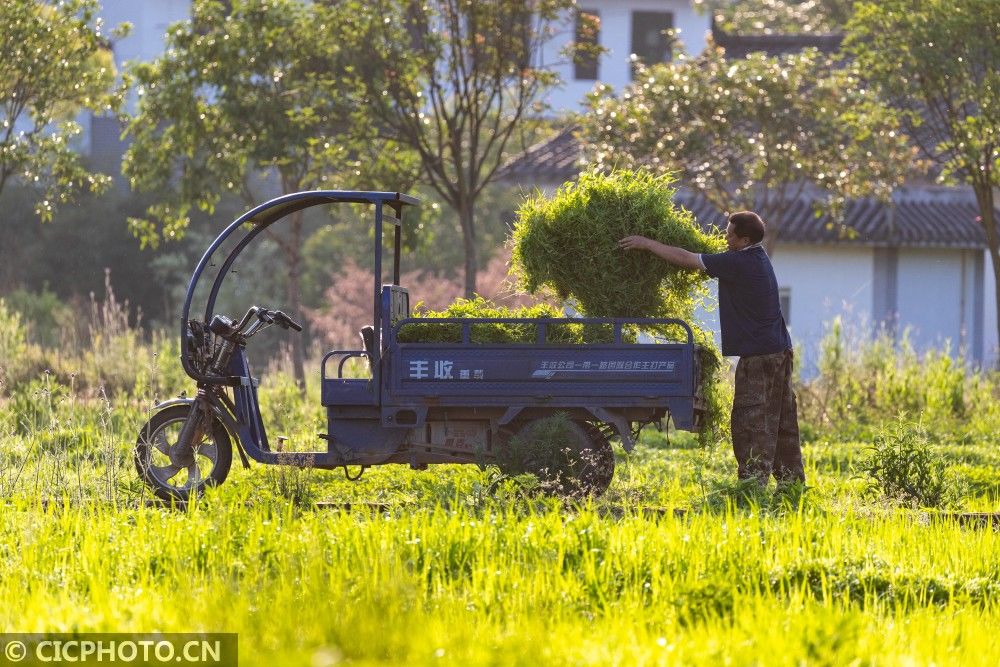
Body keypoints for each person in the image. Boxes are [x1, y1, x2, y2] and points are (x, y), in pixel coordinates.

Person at [619, 211, 805, 487]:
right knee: (781, 421)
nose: (725, 237)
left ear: (744, 240)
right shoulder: (757, 257)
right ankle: (792, 485)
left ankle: (751, 487)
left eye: (730, 234)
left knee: (751, 420)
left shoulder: (740, 262)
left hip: (761, 358)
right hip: (778, 351)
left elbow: (687, 259)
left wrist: (648, 244)